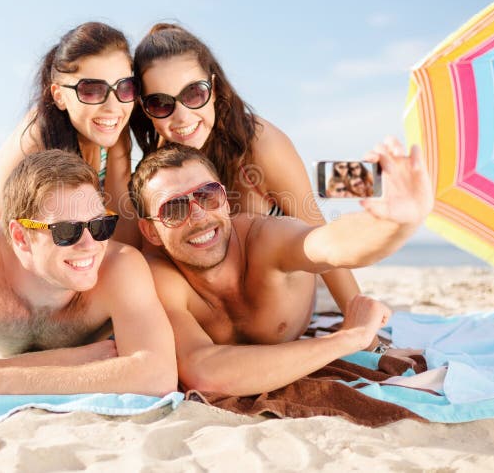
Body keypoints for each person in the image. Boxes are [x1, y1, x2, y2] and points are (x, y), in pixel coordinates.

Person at [129, 139, 432, 396]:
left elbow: (330, 245)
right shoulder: (160, 279)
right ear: (151, 231)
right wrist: (348, 338)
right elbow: (204, 372)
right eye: (174, 208)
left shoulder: (266, 238)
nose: (197, 216)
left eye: (207, 196)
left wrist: (395, 224)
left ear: (225, 200)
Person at [0, 149, 177, 397]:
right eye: (67, 231)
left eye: (100, 225)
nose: (91, 245)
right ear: (22, 237)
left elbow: (159, 374)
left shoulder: (121, 266)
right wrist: (74, 360)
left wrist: (0, 378)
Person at [129, 23, 364, 315]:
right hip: (221, 324)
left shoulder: (260, 145)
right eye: (161, 103)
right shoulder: (159, 167)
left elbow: (321, 239)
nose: (182, 116)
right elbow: (153, 259)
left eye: (193, 94)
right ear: (144, 108)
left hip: (280, 311)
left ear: (213, 89)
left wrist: (371, 339)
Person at [0, 22, 139, 245]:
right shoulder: (32, 144)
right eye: (92, 90)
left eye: (124, 86)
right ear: (59, 95)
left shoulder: (113, 126)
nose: (113, 107)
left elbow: (125, 230)